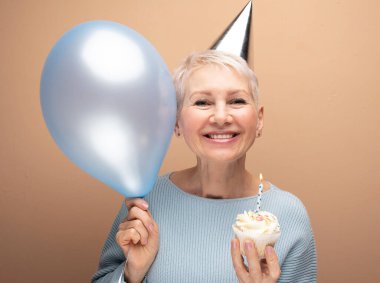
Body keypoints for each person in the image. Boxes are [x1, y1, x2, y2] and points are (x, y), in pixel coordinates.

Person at [92, 50, 317, 283]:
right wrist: (132, 273)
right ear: (176, 122)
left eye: (237, 101)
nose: (221, 117)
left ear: (259, 120)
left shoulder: (289, 214)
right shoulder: (147, 201)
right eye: (202, 102)